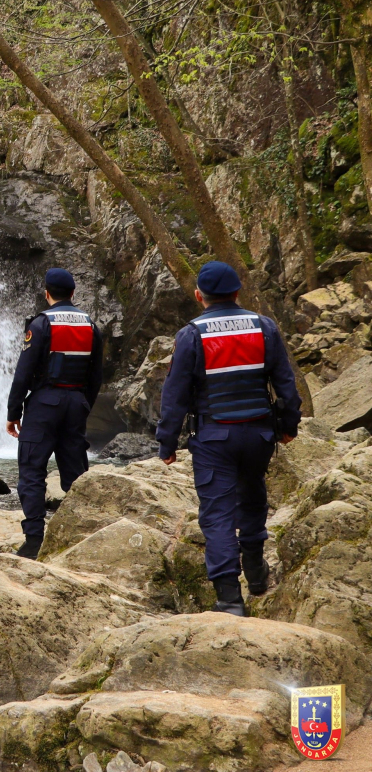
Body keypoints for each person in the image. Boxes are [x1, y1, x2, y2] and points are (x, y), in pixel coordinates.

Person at [156, 260, 301, 616]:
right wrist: (288, 426)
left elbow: (174, 395)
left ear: (198, 295)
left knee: (218, 513)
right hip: (259, 433)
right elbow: (286, 385)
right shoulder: (264, 326)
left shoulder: (191, 334)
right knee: (252, 496)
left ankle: (229, 599)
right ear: (238, 292)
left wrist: (167, 442)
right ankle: (255, 573)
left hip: (214, 436)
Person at [6, 268, 103, 559]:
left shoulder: (41, 324)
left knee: (32, 470)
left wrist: (13, 411)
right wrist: (84, 405)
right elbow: (96, 376)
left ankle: (34, 539)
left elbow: (23, 373)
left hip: (44, 403)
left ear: (46, 293)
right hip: (76, 403)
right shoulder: (90, 325)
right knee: (75, 472)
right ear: (74, 293)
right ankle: (80, 536)